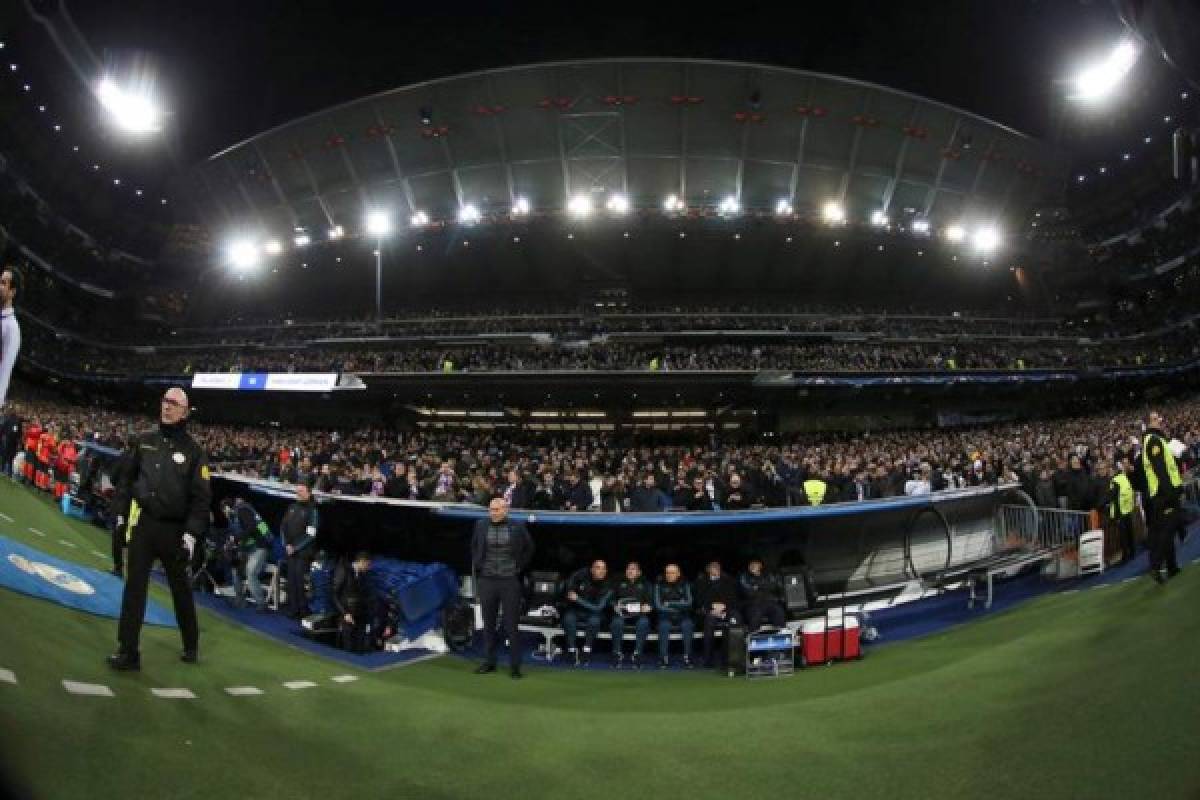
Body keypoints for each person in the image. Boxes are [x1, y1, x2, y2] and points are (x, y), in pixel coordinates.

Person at [107, 387, 211, 671]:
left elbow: (201, 500)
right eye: (164, 401)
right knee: (134, 588)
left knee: (181, 591)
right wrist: (119, 514)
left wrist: (190, 536)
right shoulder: (144, 441)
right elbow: (126, 481)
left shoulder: (194, 452)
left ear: (185, 412)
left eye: (174, 403)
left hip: (175, 532)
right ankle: (128, 652)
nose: (167, 407)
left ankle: (191, 643)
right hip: (145, 525)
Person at [471, 496, 534, 679]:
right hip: (487, 580)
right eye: (491, 509)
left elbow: (529, 548)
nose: (493, 512)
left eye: (497, 509)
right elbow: (475, 547)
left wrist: (519, 567)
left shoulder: (517, 526)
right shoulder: (480, 525)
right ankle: (489, 661)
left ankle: (515, 666)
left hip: (509, 581)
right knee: (488, 623)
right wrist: (479, 564)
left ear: (505, 510)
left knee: (511, 624)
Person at [1139, 412, 1183, 583]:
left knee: (1168, 528)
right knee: (1167, 529)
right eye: (1157, 419)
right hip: (1163, 493)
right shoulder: (1154, 441)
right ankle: (1156, 565)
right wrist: (1171, 492)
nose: (1160, 421)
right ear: (1150, 423)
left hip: (1161, 492)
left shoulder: (1155, 440)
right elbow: (1160, 469)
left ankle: (1170, 567)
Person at [561, 559, 612, 666]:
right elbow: (570, 586)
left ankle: (586, 650)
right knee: (568, 618)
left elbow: (598, 608)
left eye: (604, 569)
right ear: (592, 569)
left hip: (594, 612)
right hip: (576, 610)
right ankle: (572, 650)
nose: (601, 571)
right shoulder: (581, 575)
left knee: (594, 621)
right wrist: (571, 591)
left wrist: (578, 599)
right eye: (598, 568)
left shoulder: (608, 585)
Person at [281, 482, 320, 618]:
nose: (298, 493)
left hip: (304, 553)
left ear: (308, 493)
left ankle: (303, 611)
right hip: (290, 551)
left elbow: (311, 534)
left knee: (299, 581)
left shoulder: (312, 510)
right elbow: (283, 527)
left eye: (302, 491)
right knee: (291, 580)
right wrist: (286, 544)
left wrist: (295, 547)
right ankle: (293, 609)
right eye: (297, 490)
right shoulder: (291, 507)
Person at [228, 497, 272, 611]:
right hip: (249, 546)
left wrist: (237, 539)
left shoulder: (243, 510)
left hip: (260, 546)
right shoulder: (242, 511)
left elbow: (251, 528)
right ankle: (239, 599)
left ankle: (262, 604)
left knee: (250, 572)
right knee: (235, 568)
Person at [694, 560, 741, 668]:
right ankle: (708, 660)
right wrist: (712, 606)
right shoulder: (701, 582)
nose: (715, 570)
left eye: (717, 568)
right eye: (713, 567)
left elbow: (734, 599)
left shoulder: (729, 581)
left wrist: (725, 607)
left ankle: (732, 659)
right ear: (708, 570)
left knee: (736, 619)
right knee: (709, 622)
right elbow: (699, 600)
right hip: (709, 611)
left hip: (727, 609)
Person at [609, 561, 653, 669]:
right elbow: (611, 600)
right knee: (616, 622)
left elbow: (650, 602)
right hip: (622, 614)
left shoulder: (646, 584)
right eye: (628, 569)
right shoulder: (618, 583)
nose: (630, 571)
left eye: (633, 569)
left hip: (639, 615)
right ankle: (617, 654)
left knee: (644, 622)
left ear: (639, 572)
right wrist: (614, 606)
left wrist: (648, 607)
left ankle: (638, 654)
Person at [654, 563, 695, 668]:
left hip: (683, 616)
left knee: (688, 625)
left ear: (678, 573)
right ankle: (663, 659)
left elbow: (689, 603)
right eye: (667, 572)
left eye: (672, 573)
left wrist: (670, 603)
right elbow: (658, 606)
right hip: (665, 616)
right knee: (664, 626)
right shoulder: (658, 585)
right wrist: (679, 606)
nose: (669, 575)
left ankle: (688, 658)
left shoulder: (685, 584)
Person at [333, 551, 375, 652]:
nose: (369, 568)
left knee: (359, 647)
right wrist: (345, 613)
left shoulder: (362, 575)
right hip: (347, 616)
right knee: (348, 648)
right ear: (362, 562)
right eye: (368, 565)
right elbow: (334, 595)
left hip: (360, 616)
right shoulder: (344, 570)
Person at [739, 557, 787, 631]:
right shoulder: (744, 577)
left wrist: (758, 586)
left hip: (768, 602)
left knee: (778, 610)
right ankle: (753, 635)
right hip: (752, 604)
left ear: (760, 565)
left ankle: (782, 633)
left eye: (755, 564)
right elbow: (749, 592)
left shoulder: (768, 575)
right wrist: (763, 586)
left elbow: (774, 586)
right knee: (755, 613)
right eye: (751, 564)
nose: (752, 566)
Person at [1106, 459, 1138, 565]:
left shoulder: (1114, 481)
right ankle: (1133, 552)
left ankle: (1125, 556)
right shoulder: (1123, 477)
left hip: (1120, 511)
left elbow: (1113, 498)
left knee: (1123, 536)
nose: (1109, 472)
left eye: (1110, 470)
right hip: (1128, 509)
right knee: (1130, 533)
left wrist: (1114, 515)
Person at [0, 266, 21, 410]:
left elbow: (5, 371)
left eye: (3, 283)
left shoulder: (12, 328)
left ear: (12, 292)